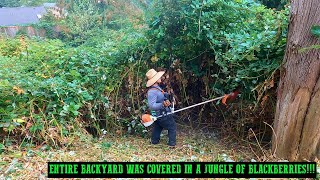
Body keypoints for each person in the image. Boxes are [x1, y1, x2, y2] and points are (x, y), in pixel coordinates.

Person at [145, 69, 176, 147]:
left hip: (160, 114)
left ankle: (154, 141)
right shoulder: (152, 92)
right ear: (155, 80)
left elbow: (161, 95)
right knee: (172, 126)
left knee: (158, 126)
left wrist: (167, 95)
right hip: (161, 114)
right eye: (158, 77)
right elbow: (152, 105)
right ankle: (172, 144)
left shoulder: (157, 88)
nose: (161, 77)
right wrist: (163, 104)